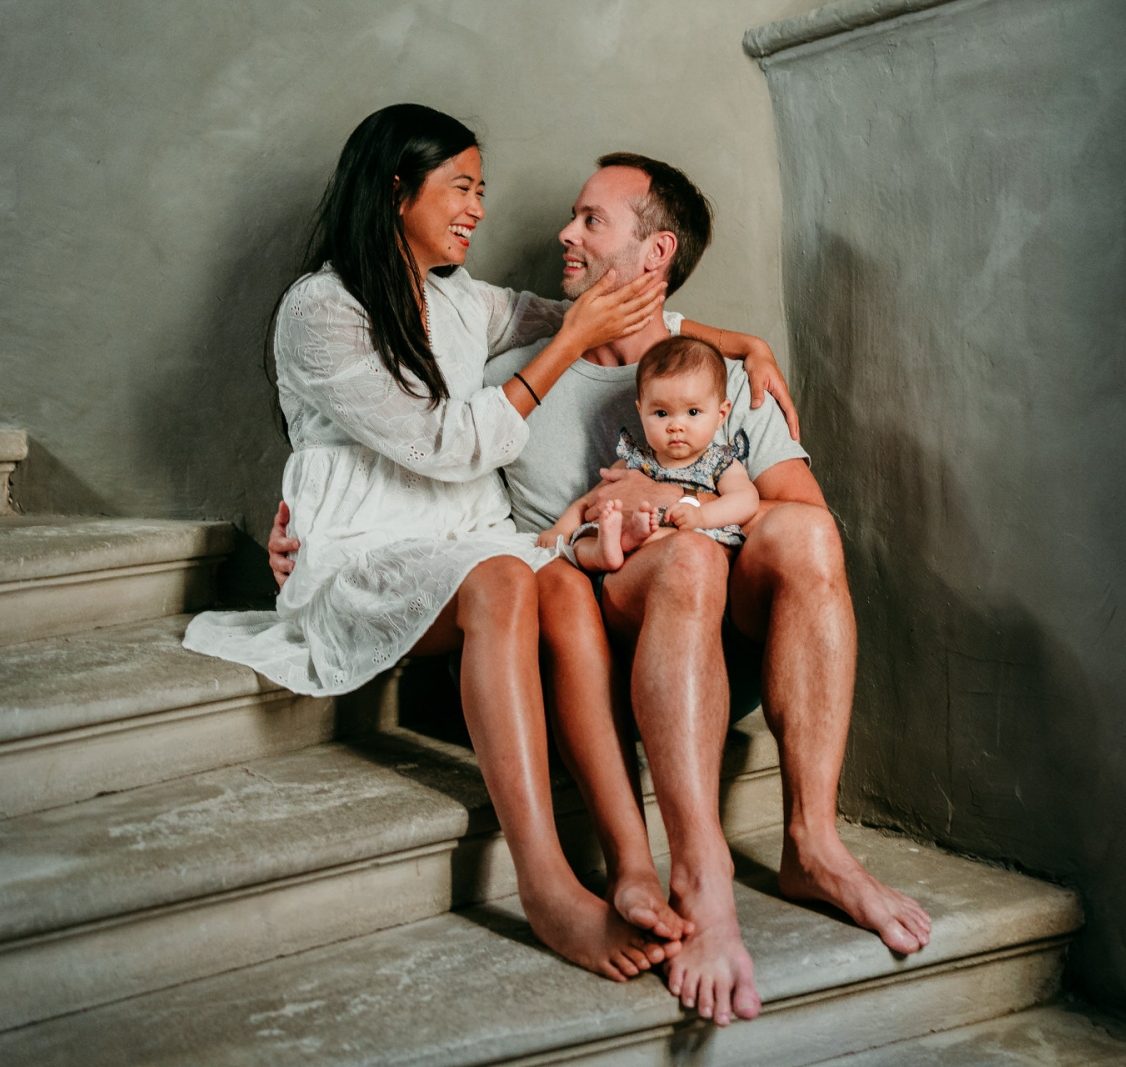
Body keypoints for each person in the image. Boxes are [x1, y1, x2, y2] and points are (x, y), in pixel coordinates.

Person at [270, 152, 933, 1027]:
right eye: (573, 218)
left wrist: (675, 495)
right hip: (611, 607)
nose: (564, 234)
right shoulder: (516, 369)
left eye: (591, 221)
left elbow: (799, 514)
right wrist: (314, 537)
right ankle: (699, 872)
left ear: (655, 252)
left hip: (729, 621)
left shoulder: (719, 374)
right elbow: (422, 459)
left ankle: (813, 838)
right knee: (690, 564)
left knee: (808, 529)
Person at [186, 104, 781, 983]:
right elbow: (445, 443)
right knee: (507, 575)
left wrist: (740, 341)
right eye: (460, 188)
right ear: (397, 191)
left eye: (481, 190)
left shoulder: (465, 299)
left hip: (466, 535)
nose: (479, 210)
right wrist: (572, 338)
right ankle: (544, 883)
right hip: (365, 549)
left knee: (560, 584)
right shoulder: (320, 310)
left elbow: (610, 312)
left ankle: (631, 861)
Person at [541, 336, 760, 572]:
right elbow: (590, 501)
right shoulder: (634, 460)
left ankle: (630, 541)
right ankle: (604, 552)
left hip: (686, 545)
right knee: (583, 540)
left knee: (691, 541)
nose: (676, 426)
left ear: (721, 414)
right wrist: (560, 530)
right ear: (641, 411)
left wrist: (702, 517)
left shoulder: (720, 462)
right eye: (661, 413)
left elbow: (746, 500)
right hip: (629, 556)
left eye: (693, 412)